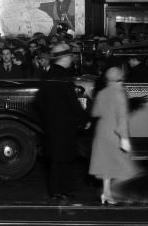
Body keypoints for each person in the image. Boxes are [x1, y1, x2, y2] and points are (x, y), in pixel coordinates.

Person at [36, 65, 88, 201]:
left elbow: (39, 102)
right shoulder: (65, 83)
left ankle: (55, 191)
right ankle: (62, 190)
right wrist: (84, 118)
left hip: (52, 125)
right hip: (65, 125)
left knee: (55, 161)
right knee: (65, 160)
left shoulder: (47, 83)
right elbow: (74, 104)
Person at [89, 60, 137, 205]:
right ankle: (115, 193)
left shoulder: (102, 93)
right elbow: (122, 118)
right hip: (114, 133)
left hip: (102, 131)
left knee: (106, 165)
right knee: (125, 166)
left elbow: (95, 112)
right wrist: (124, 138)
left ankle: (106, 193)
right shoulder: (120, 94)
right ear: (120, 80)